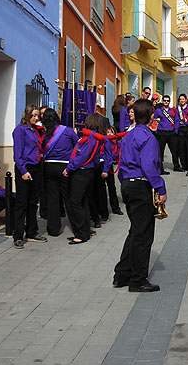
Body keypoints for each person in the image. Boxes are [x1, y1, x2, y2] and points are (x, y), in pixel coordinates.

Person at [113, 99, 167, 292]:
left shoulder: (128, 136)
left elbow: (120, 162)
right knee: (143, 235)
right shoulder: (149, 137)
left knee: (135, 231)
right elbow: (149, 166)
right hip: (140, 184)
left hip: (128, 183)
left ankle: (122, 274)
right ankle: (137, 279)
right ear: (152, 116)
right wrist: (160, 188)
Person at [63, 113, 108, 244]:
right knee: (83, 202)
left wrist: (69, 168)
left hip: (82, 172)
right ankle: (85, 230)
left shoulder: (91, 139)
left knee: (76, 202)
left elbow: (81, 156)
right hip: (88, 172)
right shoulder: (93, 138)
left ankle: (81, 233)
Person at [12, 105, 47, 249]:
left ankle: (32, 231)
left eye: (37, 115)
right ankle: (18, 235)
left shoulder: (35, 131)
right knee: (22, 203)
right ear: (27, 115)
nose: (36, 118)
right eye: (33, 115)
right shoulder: (20, 130)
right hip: (25, 168)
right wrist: (23, 171)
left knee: (33, 202)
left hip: (36, 168)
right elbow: (17, 153)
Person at [41, 108, 78, 236]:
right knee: (68, 197)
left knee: (52, 198)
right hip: (64, 167)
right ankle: (77, 227)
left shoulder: (44, 134)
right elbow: (77, 145)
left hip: (49, 166)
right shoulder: (67, 131)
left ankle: (53, 229)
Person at [154, 95, 182, 173]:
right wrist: (156, 131)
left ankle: (176, 166)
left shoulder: (173, 110)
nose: (166, 102)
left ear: (169, 102)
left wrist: (176, 130)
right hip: (161, 133)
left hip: (171, 133)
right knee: (160, 152)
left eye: (167, 101)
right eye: (165, 100)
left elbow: (177, 120)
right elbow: (154, 121)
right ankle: (160, 169)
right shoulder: (158, 111)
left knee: (175, 151)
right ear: (162, 101)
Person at [176, 94, 188, 172]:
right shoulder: (178, 108)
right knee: (181, 148)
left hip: (187, 128)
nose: (182, 100)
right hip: (180, 129)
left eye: (183, 99)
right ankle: (183, 165)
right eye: (180, 99)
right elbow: (176, 119)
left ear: (186, 100)